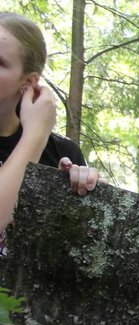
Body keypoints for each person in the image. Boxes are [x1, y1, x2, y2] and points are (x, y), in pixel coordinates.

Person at [0, 12, 99, 235]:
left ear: (27, 82)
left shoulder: (61, 152)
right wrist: (35, 136)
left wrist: (85, 188)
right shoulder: (37, 139)